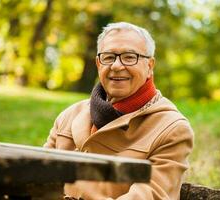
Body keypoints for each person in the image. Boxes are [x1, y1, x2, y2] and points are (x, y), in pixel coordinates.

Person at [44, 22, 194, 200]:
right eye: (108, 57)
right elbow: (37, 179)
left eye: (130, 57)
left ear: (150, 66)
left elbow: (150, 196)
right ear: (99, 64)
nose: (116, 65)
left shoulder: (172, 129)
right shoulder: (70, 115)